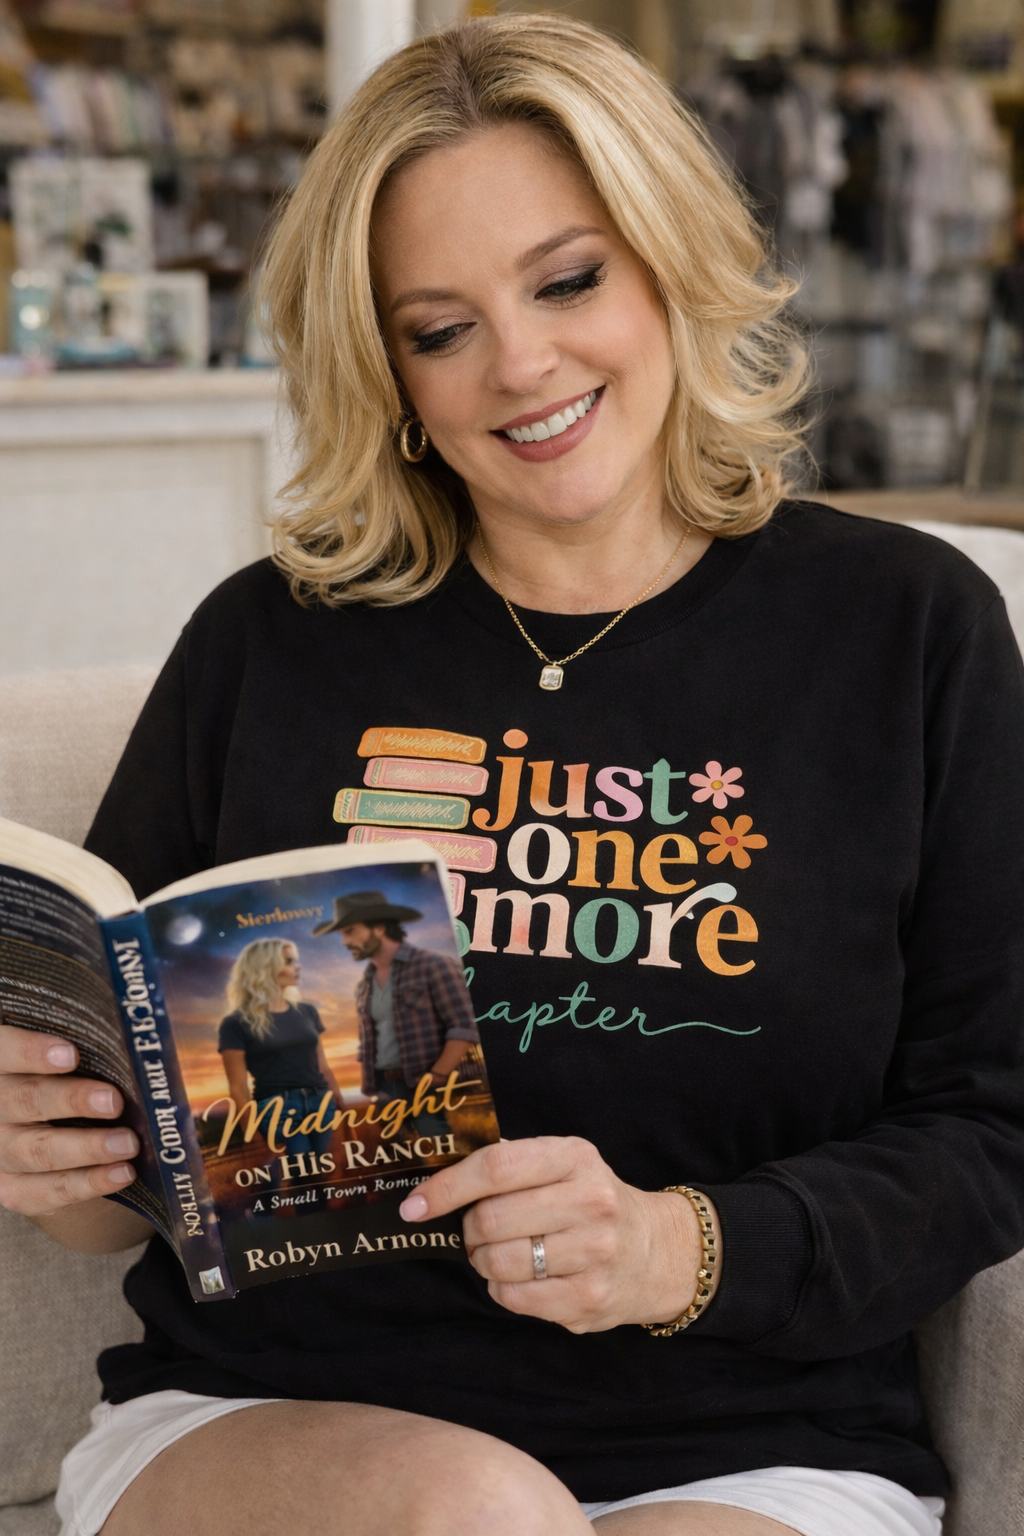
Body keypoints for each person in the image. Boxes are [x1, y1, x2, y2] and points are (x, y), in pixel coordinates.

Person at [0, 16, 1023, 1536]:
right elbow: (120, 1179)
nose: (520, 364)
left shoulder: (907, 630)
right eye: (439, 326)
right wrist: (48, 1151)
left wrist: (690, 1247)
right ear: (389, 370)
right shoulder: (271, 644)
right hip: (277, 1419)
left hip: (751, 1432)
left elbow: (989, 1123)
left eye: (567, 279)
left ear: (667, 259)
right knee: (477, 1514)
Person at [313, 888, 480, 1135]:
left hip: (425, 1084)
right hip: (383, 1088)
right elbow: (371, 1039)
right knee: (398, 1158)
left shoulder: (433, 966)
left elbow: (465, 1026)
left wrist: (437, 1075)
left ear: (379, 927)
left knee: (439, 1149)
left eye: (350, 931)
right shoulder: (364, 984)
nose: (345, 942)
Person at [218, 938, 343, 1158]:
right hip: (277, 1109)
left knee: (325, 1169)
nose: (298, 966)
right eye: (289, 961)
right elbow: (238, 1087)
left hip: (321, 1101)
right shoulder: (235, 1023)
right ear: (266, 968)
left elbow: (322, 1063)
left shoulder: (307, 1012)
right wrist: (250, 1132)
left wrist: (338, 1098)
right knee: (301, 1173)